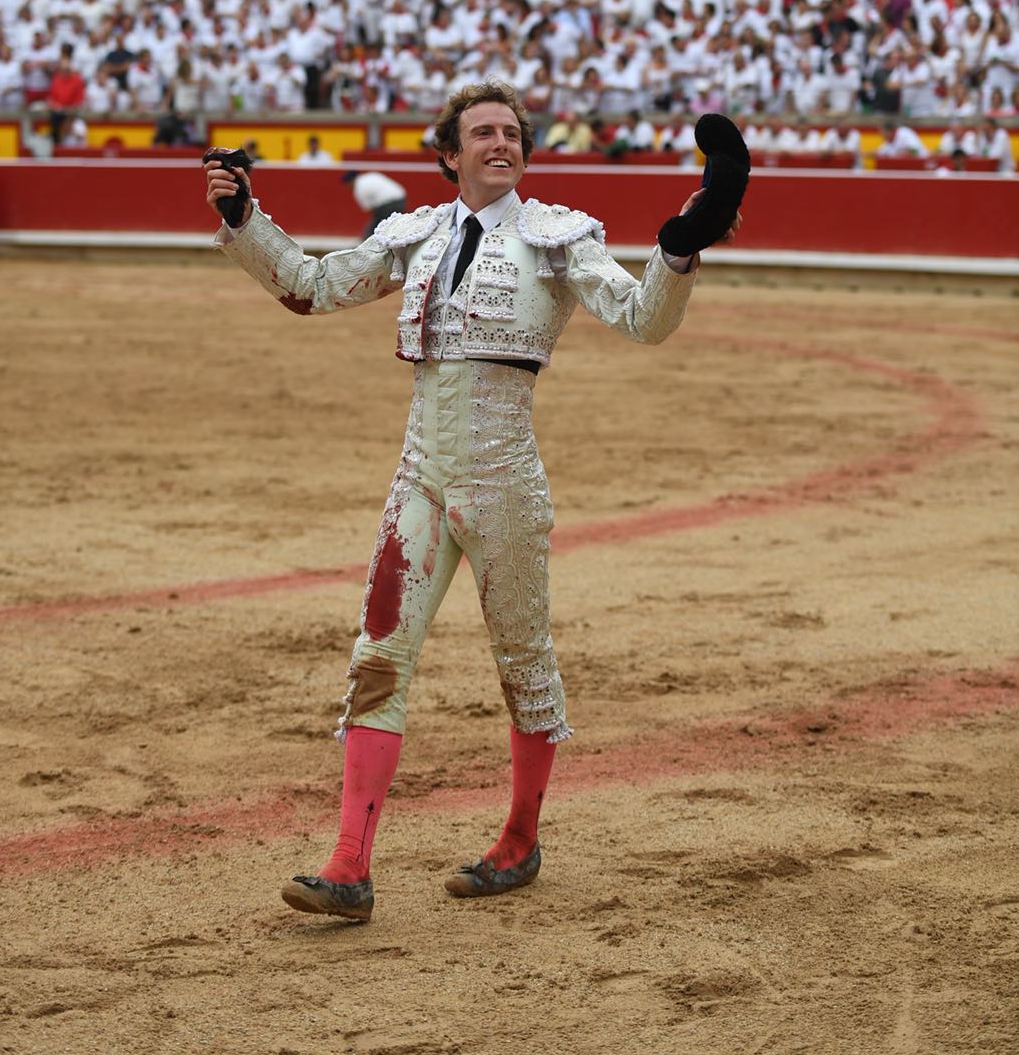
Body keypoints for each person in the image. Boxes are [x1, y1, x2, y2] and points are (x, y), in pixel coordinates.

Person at [205, 82, 741, 923]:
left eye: (512, 133)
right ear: (449, 155)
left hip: (504, 482)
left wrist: (678, 251)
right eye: (483, 133)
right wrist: (245, 224)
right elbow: (310, 285)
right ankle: (348, 864)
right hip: (419, 475)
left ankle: (520, 840)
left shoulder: (558, 238)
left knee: (524, 664)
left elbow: (643, 321)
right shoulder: (413, 235)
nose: (502, 143)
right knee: (378, 656)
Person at [342, 168, 407, 236]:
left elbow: (370, 209)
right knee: (397, 225)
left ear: (350, 182)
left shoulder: (359, 188)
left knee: (374, 230)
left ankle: (368, 244)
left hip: (385, 206)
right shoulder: (372, 175)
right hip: (401, 199)